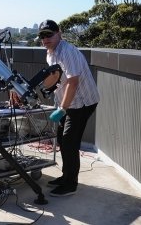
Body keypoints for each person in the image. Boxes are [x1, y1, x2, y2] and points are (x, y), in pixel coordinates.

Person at [38, 19, 100, 197]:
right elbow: (58, 80)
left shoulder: (67, 52)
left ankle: (70, 184)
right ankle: (66, 176)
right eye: (42, 36)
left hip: (82, 102)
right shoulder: (50, 53)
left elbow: (73, 82)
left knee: (69, 141)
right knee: (62, 139)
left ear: (59, 33)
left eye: (49, 34)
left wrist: (62, 109)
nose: (45, 39)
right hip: (67, 102)